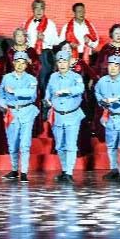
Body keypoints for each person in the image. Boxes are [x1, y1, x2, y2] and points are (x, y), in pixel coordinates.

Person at [45, 50, 86, 182]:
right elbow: (48, 91)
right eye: (59, 61)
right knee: (60, 145)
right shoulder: (53, 76)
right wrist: (47, 100)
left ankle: (69, 173)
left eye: (64, 61)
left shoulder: (76, 77)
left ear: (69, 63)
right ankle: (64, 171)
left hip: (72, 115)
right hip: (57, 116)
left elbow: (80, 88)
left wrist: (66, 91)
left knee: (70, 145)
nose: (62, 64)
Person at [0, 51, 40, 182]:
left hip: (26, 111)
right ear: (13, 63)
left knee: (25, 143)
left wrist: (14, 91)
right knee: (12, 143)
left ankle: (24, 172)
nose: (20, 65)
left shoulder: (31, 79)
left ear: (26, 65)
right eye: (18, 62)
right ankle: (14, 169)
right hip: (11, 112)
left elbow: (31, 93)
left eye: (23, 63)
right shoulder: (6, 78)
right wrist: (3, 105)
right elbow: (1, 93)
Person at [24, 0, 60, 99]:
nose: (39, 11)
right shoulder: (27, 23)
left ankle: (45, 104)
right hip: (31, 54)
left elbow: (56, 42)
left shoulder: (50, 24)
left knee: (44, 80)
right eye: (36, 8)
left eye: (41, 8)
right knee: (31, 80)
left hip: (45, 54)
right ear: (32, 9)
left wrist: (45, 38)